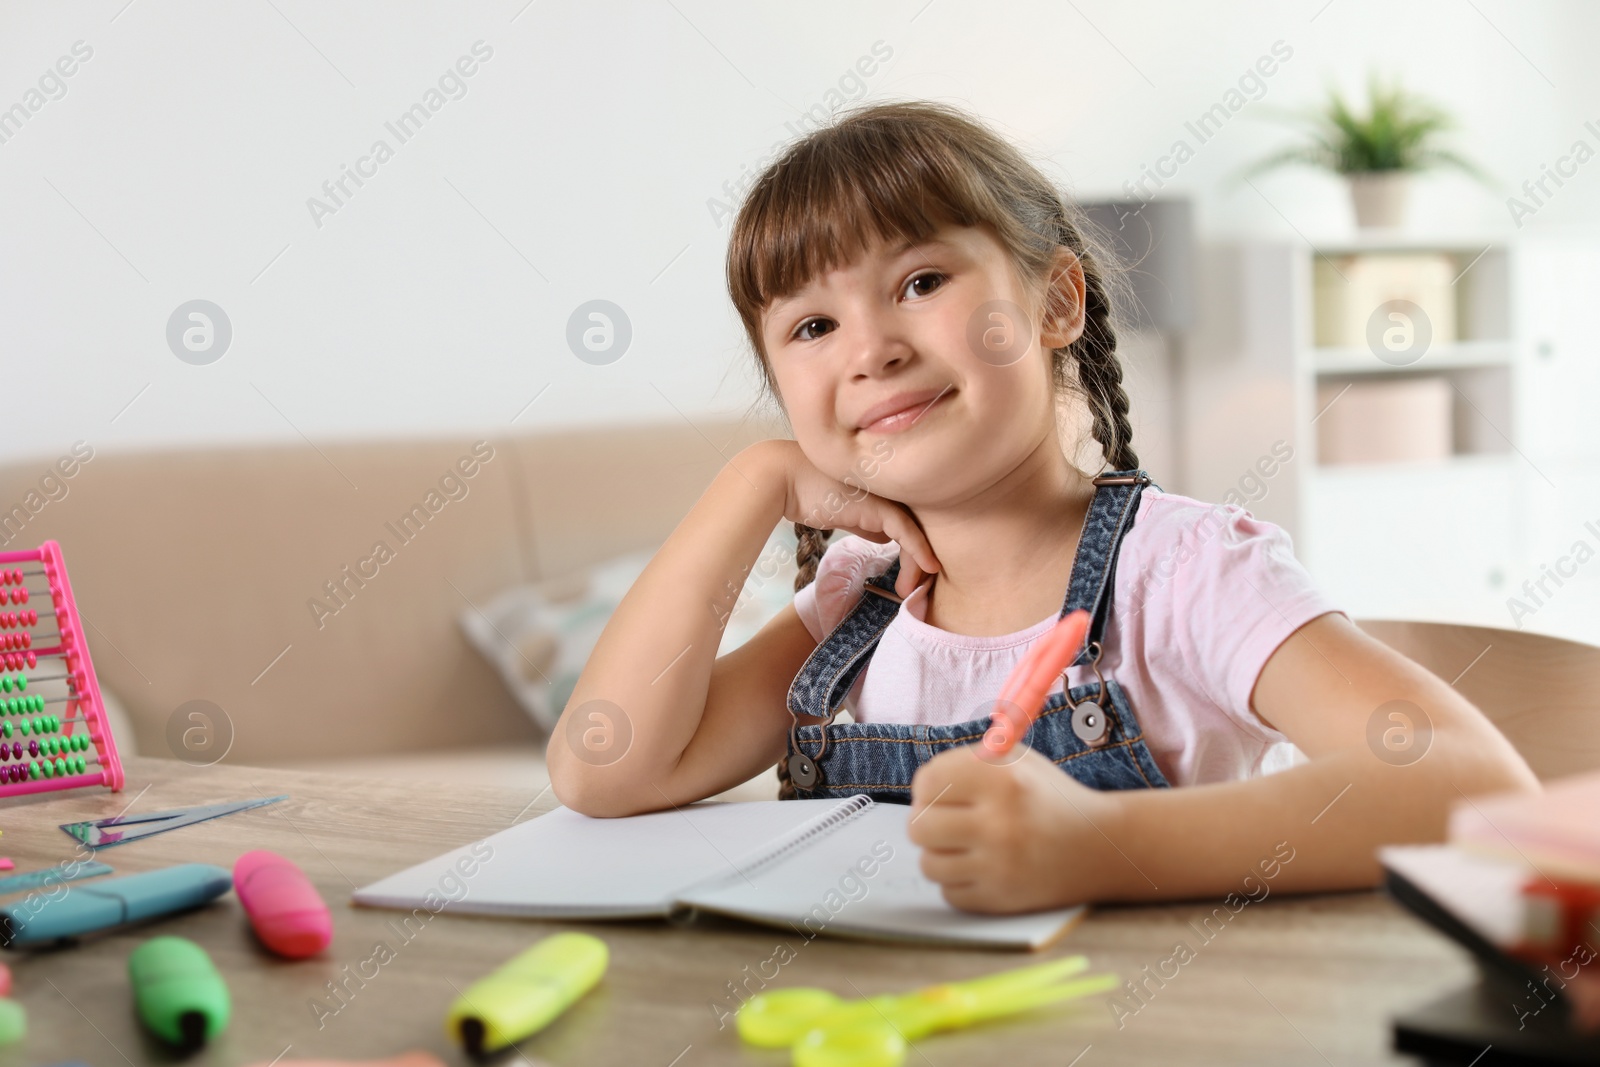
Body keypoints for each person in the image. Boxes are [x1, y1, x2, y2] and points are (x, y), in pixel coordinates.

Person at [547, 100, 1536, 914]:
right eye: (811, 324)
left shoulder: (1181, 572)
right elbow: (605, 769)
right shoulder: (857, 606)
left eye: (921, 280)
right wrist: (751, 483)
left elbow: (1466, 780)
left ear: (1056, 301)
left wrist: (1100, 843)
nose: (870, 349)